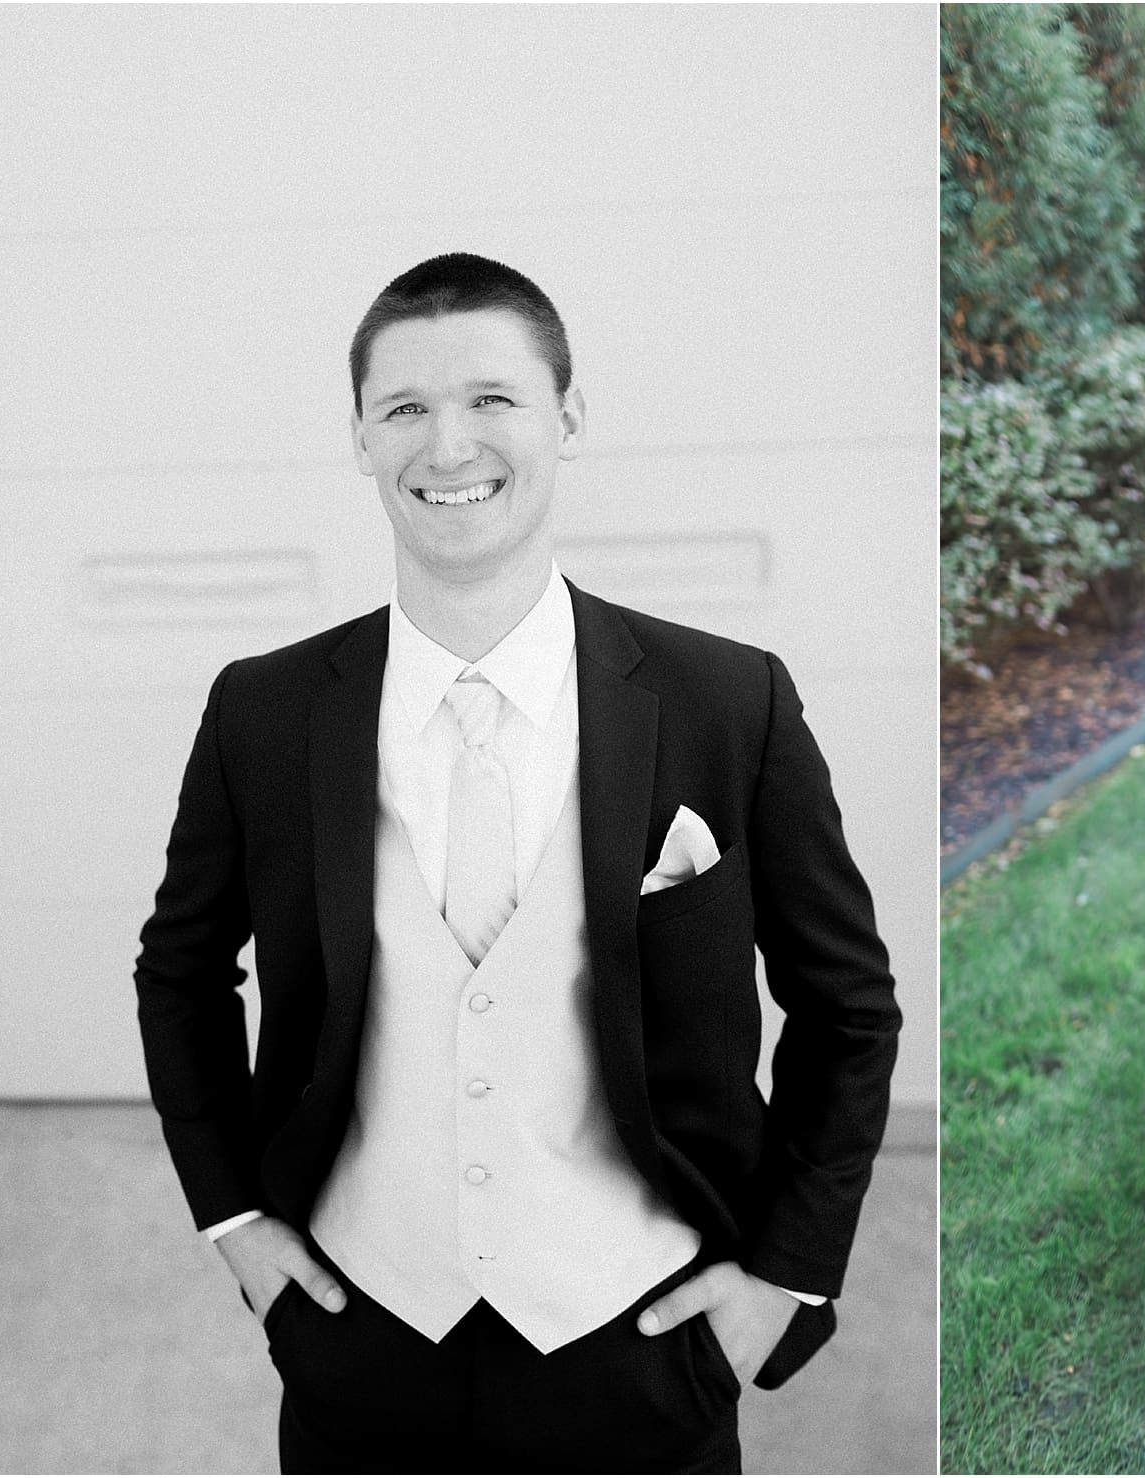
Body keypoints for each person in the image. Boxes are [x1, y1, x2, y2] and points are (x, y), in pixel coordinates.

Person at [134, 253, 901, 1473]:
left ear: (569, 416)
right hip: (357, 1334)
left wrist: (781, 1278)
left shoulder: (725, 698)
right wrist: (235, 1222)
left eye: (493, 400)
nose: (449, 448)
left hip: (644, 1339)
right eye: (406, 409)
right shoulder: (264, 712)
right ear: (360, 435)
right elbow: (179, 972)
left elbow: (848, 1007)